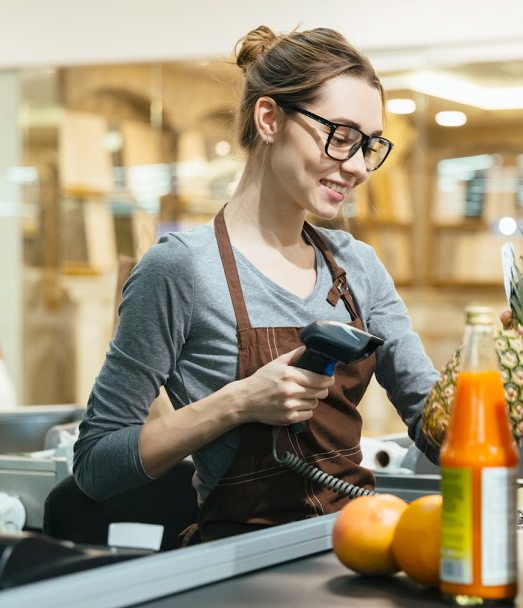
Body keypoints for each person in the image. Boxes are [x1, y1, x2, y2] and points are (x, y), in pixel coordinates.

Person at [73, 25, 440, 544]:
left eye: (369, 145)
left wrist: (516, 378)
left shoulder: (357, 266)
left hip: (356, 549)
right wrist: (239, 402)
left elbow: (438, 431)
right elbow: (96, 464)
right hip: (241, 566)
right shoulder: (180, 270)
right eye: (341, 137)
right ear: (269, 119)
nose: (359, 167)